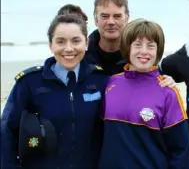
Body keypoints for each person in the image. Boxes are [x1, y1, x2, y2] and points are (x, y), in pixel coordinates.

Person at [1, 14, 109, 169]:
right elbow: (6, 130)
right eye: (60, 41)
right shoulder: (29, 83)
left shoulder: (100, 81)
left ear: (86, 43)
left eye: (76, 40)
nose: (69, 48)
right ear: (51, 45)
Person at [99, 18, 189, 169]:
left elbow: (181, 151)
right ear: (127, 48)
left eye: (151, 46)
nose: (144, 51)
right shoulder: (111, 84)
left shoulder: (168, 92)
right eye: (137, 45)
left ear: (158, 50)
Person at [85, 0, 176, 88]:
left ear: (127, 18)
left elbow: (156, 81)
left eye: (117, 16)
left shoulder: (141, 56)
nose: (111, 22)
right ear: (95, 19)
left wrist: (168, 81)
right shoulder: (82, 55)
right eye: (105, 16)